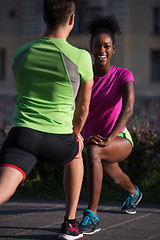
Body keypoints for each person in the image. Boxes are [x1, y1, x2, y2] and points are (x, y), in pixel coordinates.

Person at [0, 0, 93, 239]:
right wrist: (76, 133)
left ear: (44, 18)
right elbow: (83, 107)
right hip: (59, 139)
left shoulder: (21, 53)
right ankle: (70, 224)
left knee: (3, 190)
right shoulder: (81, 57)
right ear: (72, 19)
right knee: (76, 152)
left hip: (23, 135)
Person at [80, 15, 143, 235]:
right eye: (97, 46)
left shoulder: (123, 75)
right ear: (91, 48)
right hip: (93, 139)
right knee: (115, 176)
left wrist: (108, 138)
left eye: (106, 46)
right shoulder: (84, 78)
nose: (101, 51)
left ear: (113, 48)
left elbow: (128, 110)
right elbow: (76, 109)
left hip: (119, 139)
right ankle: (134, 192)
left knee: (95, 151)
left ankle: (92, 216)